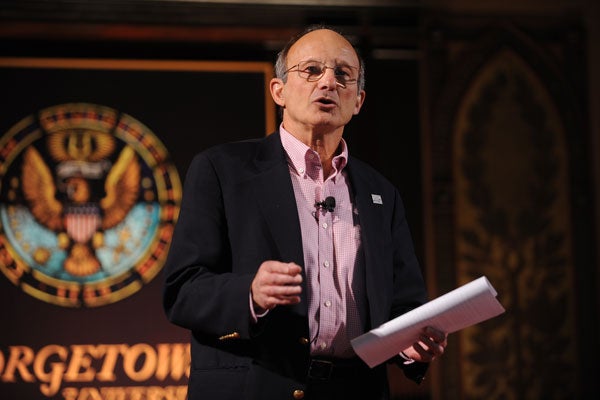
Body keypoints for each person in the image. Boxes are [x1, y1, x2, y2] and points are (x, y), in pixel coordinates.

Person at [163, 25, 447, 400]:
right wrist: (249, 292)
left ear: (358, 100)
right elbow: (182, 290)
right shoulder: (222, 170)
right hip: (255, 386)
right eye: (311, 70)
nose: (328, 82)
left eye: (343, 74)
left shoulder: (381, 193)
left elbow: (403, 304)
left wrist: (410, 345)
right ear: (278, 91)